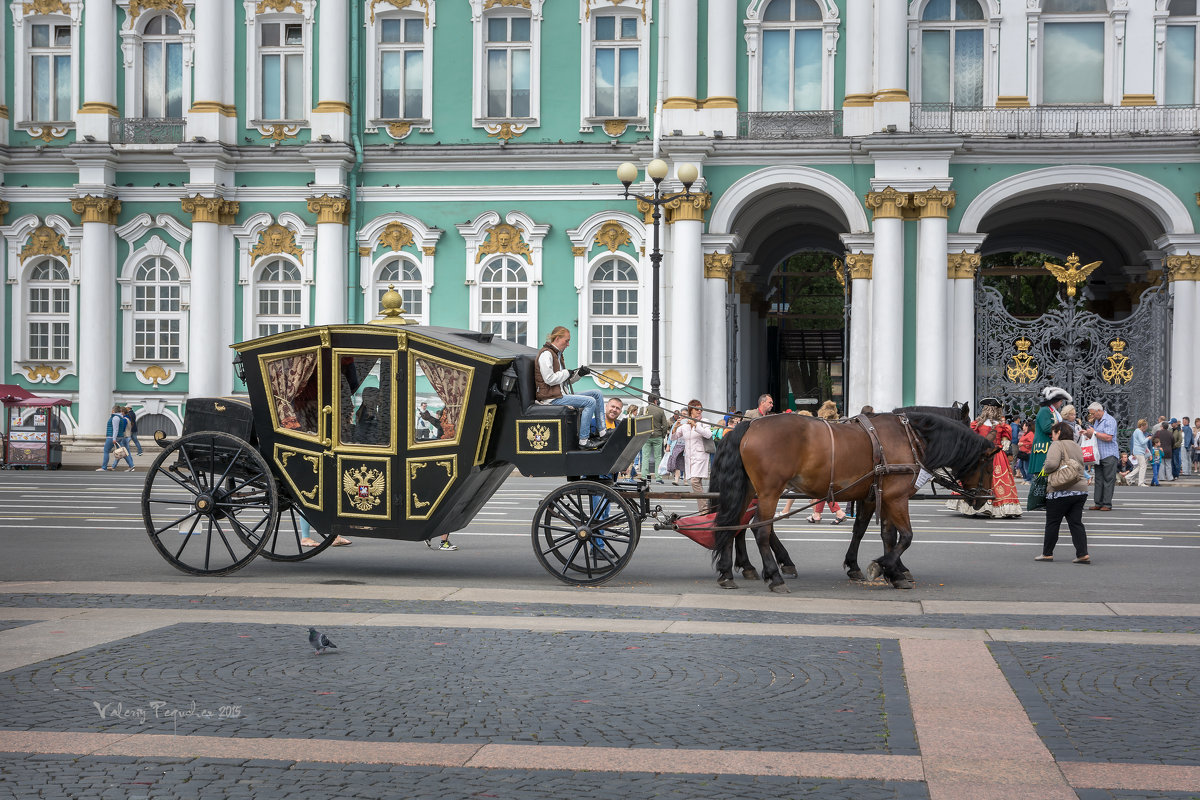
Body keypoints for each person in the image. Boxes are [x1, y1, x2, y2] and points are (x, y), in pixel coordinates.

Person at [534, 326, 606, 450]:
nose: (568, 344)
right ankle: (583, 441)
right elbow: (549, 379)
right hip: (551, 398)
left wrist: (579, 374)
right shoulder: (546, 354)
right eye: (566, 341)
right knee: (590, 401)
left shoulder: (558, 355)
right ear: (557, 338)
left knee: (597, 393)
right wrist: (567, 373)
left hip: (561, 394)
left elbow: (565, 381)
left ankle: (603, 432)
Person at [949, 398, 1022, 518]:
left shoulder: (977, 424)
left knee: (975, 477)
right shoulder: (1002, 426)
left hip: (980, 454)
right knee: (998, 480)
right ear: (998, 410)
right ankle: (998, 506)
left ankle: (971, 505)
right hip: (996, 455)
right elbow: (1005, 444)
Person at [1035, 421, 1090, 564]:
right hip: (1079, 490)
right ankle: (1082, 554)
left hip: (1060, 490)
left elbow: (1052, 464)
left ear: (1058, 432)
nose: (1051, 437)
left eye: (1053, 434)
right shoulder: (1077, 446)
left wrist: (1045, 469)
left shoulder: (1057, 444)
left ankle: (1047, 553)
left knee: (1053, 523)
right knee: (1076, 523)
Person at [1027, 386, 1071, 511]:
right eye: (1060, 400)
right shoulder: (1045, 411)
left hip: (1050, 446)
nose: (1061, 403)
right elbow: (1047, 428)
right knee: (1041, 476)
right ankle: (1036, 503)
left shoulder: (1051, 411)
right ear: (1054, 401)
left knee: (1048, 476)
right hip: (1043, 447)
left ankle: (1046, 502)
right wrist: (1062, 428)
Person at [805, 401, 848, 523]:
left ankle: (838, 513)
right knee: (823, 488)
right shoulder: (838, 427)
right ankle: (817, 514)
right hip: (836, 462)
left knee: (823, 487)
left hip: (826, 462)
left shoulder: (822, 429)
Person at [677, 399, 713, 511]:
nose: (699, 411)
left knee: (694, 482)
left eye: (700, 408)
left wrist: (696, 425)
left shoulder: (704, 421)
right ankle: (704, 509)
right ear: (690, 410)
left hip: (701, 456)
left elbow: (708, 434)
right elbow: (675, 437)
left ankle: (704, 508)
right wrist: (675, 428)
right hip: (689, 457)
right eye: (696, 408)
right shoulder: (685, 424)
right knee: (698, 484)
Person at [1082, 401, 1118, 511]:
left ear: (1099, 411)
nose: (1091, 416)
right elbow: (1095, 435)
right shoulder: (1097, 421)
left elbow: (1108, 437)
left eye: (1092, 413)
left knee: (1108, 479)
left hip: (1109, 454)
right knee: (1098, 479)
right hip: (1098, 455)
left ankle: (1106, 504)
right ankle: (1098, 502)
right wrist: (1086, 433)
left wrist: (1094, 433)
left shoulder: (1109, 420)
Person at [641, 394, 668, 483]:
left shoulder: (643, 409)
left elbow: (638, 422)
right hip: (657, 436)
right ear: (656, 401)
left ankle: (644, 476)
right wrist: (663, 435)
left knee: (645, 456)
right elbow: (665, 425)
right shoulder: (660, 410)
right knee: (658, 457)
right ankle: (658, 477)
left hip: (645, 436)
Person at [99, 404, 134, 471]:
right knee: (123, 452)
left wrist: (114, 438)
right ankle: (131, 465)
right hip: (120, 437)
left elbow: (115, 429)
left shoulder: (115, 418)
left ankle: (104, 467)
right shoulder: (120, 417)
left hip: (112, 437)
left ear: (113, 410)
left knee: (106, 451)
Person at [1129, 419, 1152, 486]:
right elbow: (1142, 442)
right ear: (1142, 425)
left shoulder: (1138, 431)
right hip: (1139, 451)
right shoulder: (1139, 432)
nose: (1147, 426)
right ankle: (1141, 482)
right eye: (1146, 425)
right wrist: (1148, 438)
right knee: (1143, 466)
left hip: (1139, 451)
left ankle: (1128, 477)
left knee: (1140, 466)